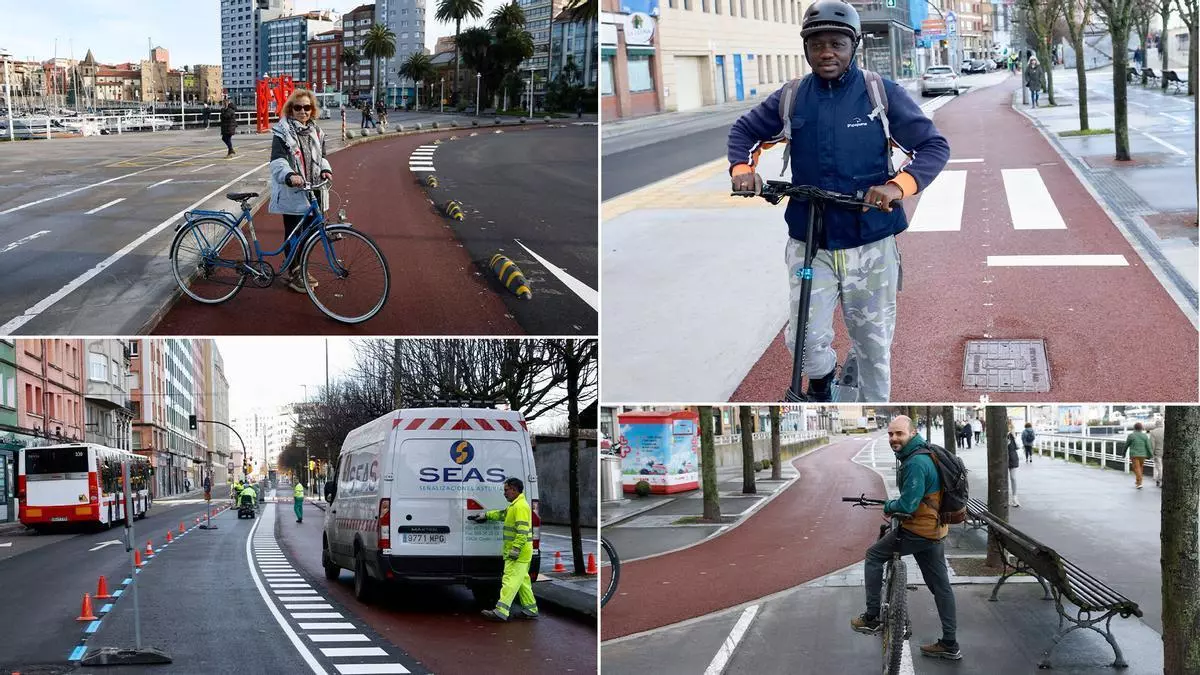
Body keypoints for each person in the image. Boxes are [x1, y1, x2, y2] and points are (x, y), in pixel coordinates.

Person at [727, 0, 950, 402]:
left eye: (837, 44)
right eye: (817, 44)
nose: (826, 52)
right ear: (806, 49)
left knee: (873, 346)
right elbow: (744, 132)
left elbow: (933, 146)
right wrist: (742, 171)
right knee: (803, 340)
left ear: (854, 46)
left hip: (870, 241)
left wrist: (899, 186)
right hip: (811, 240)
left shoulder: (879, 94)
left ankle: (876, 414)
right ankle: (824, 378)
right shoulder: (792, 97)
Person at [852, 416, 960, 660]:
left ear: (912, 433)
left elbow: (908, 505)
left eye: (899, 433)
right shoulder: (927, 452)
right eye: (890, 434)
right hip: (936, 529)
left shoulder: (915, 463)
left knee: (873, 556)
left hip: (918, 530)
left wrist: (889, 506)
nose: (893, 439)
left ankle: (871, 617)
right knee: (941, 587)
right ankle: (950, 643)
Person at [269, 88, 333, 294]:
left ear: (312, 110)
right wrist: (289, 176)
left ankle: (300, 266)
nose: (302, 111)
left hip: (314, 189)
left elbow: (322, 156)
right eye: (298, 107)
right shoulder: (282, 132)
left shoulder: (317, 132)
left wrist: (325, 170)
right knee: (293, 234)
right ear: (291, 109)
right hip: (294, 190)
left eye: (307, 107)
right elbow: (278, 160)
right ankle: (295, 271)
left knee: (310, 232)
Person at [468, 477, 539, 621]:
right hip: (522, 552)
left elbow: (523, 531)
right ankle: (531, 609)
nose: (504, 493)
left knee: (510, 580)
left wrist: (516, 549)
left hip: (518, 553)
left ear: (514, 489)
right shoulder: (516, 505)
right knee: (522, 581)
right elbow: (502, 514)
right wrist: (486, 516)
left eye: (506, 490)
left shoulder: (520, 507)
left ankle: (501, 611)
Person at [1125, 423, 1153, 489]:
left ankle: (1139, 483)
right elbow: (1148, 446)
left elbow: (1126, 445)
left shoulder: (1131, 435)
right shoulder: (1145, 436)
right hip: (1143, 455)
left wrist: (1123, 453)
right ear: (1141, 428)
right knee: (1140, 468)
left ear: (1134, 428)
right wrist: (1151, 454)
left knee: (1136, 468)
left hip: (1134, 455)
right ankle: (1138, 482)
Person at [1006, 422, 1021, 508]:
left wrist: (1014, 437)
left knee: (1013, 478)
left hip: (1013, 457)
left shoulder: (1013, 436)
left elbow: (1018, 446)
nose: (1011, 430)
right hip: (1003, 458)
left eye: (1012, 428)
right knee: (1004, 479)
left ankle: (1015, 498)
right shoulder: (1003, 437)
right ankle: (1006, 497)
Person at [1150, 421, 1165, 487]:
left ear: (1156, 425)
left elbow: (1152, 444)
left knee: (1159, 467)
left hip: (1158, 452)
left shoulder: (1153, 432)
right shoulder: (1166, 431)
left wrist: (1152, 454)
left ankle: (1160, 480)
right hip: (1166, 452)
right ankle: (1160, 480)